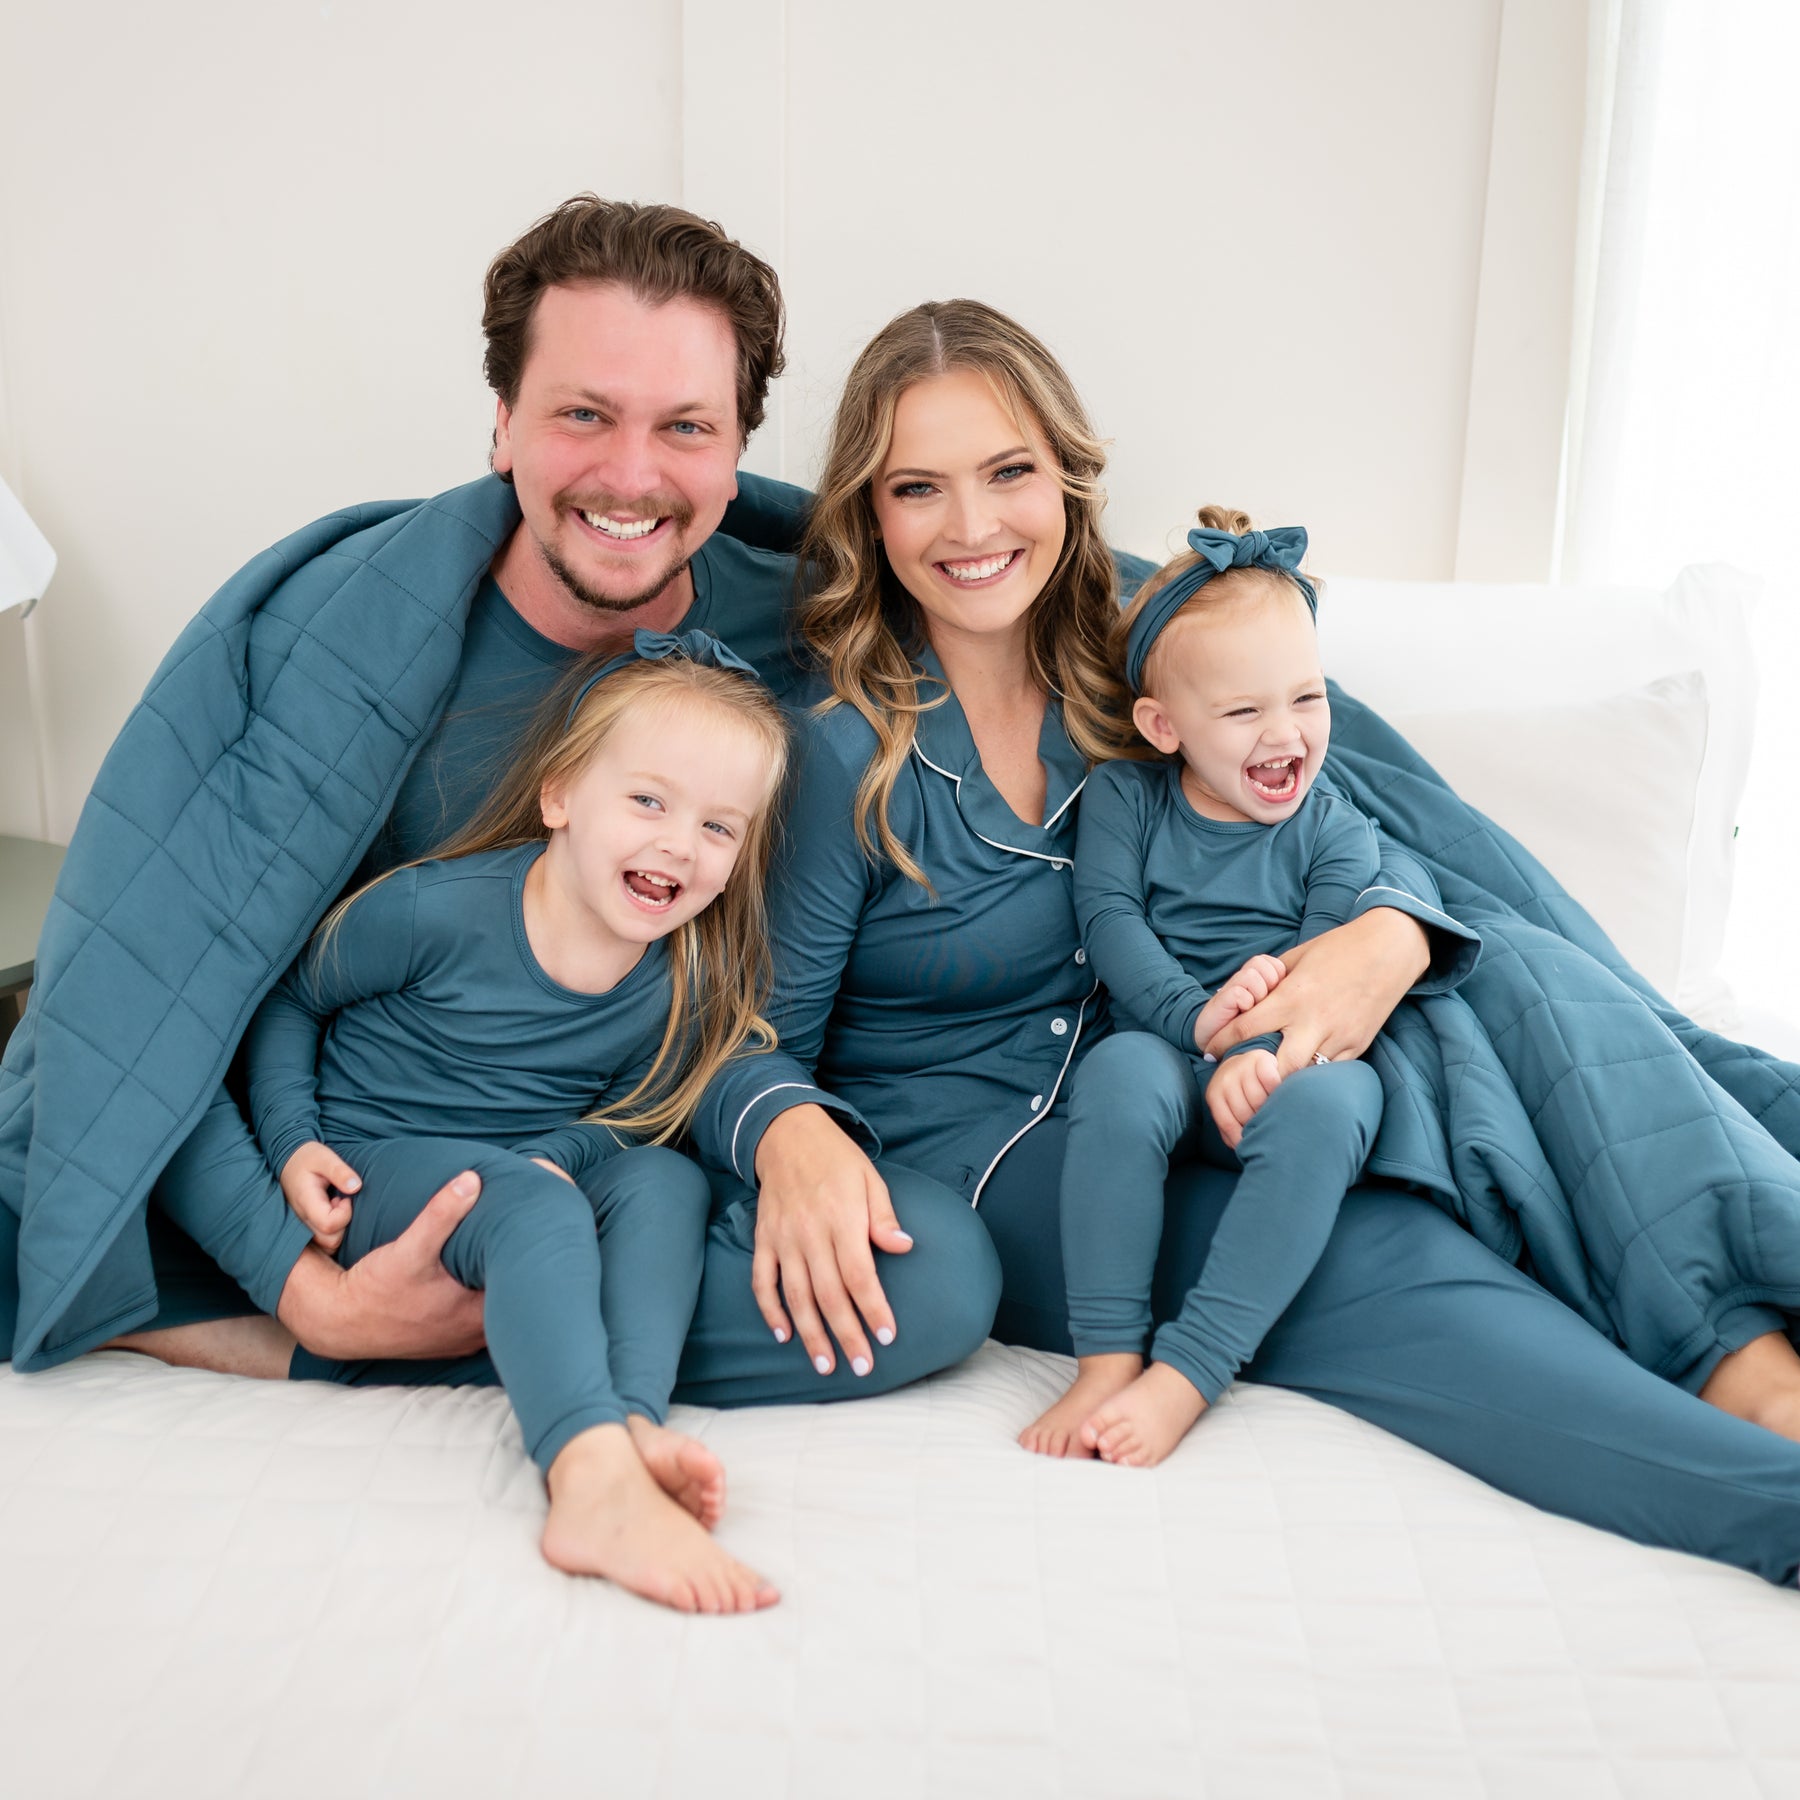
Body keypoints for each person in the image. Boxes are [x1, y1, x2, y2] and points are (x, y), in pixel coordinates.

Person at [687, 296, 1800, 1585]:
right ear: (871, 519)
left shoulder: (1146, 683)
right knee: (1401, 1276)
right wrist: (791, 1131)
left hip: (1200, 1081)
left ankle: (1751, 1355)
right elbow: (741, 1035)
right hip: (1004, 1159)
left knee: (1528, 1020)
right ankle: (1771, 1499)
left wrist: (1386, 933)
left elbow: (1366, 816)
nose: (975, 525)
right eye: (918, 488)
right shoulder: (840, 753)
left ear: (1069, 481)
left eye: (1009, 473)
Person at [0, 196, 995, 1407]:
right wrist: (301, 1287)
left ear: (738, 452)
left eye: (684, 425)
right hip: (380, 1159)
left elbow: (1107, 614)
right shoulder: (346, 647)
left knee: (935, 1275)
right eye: (584, 414)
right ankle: (399, 1333)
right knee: (70, 1181)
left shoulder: (810, 613)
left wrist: (787, 1130)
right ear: (502, 426)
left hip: (638, 1149)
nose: (631, 475)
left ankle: (500, 1325)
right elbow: (176, 999)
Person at [247, 635, 785, 1609]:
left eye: (719, 827)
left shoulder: (683, 974)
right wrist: (292, 1144)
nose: (678, 844)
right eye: (649, 801)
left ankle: (626, 1421)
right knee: (536, 1212)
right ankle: (587, 1482)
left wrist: (556, 1153)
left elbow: (632, 1122)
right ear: (561, 798)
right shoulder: (434, 913)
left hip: (521, 1170)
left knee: (667, 1180)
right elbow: (289, 1001)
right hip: (375, 1163)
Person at [1021, 510, 1397, 1464]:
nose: (1286, 735)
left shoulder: (1335, 831)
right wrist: (1200, 1026)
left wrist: (1265, 1056)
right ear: (1163, 726)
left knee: (1340, 1104)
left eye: (1306, 698)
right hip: (1171, 1040)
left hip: (1289, 1062)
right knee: (1117, 1078)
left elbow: (1321, 969)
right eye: (1243, 713)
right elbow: (1111, 925)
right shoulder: (1127, 798)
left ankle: (1190, 1370)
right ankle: (1106, 1357)